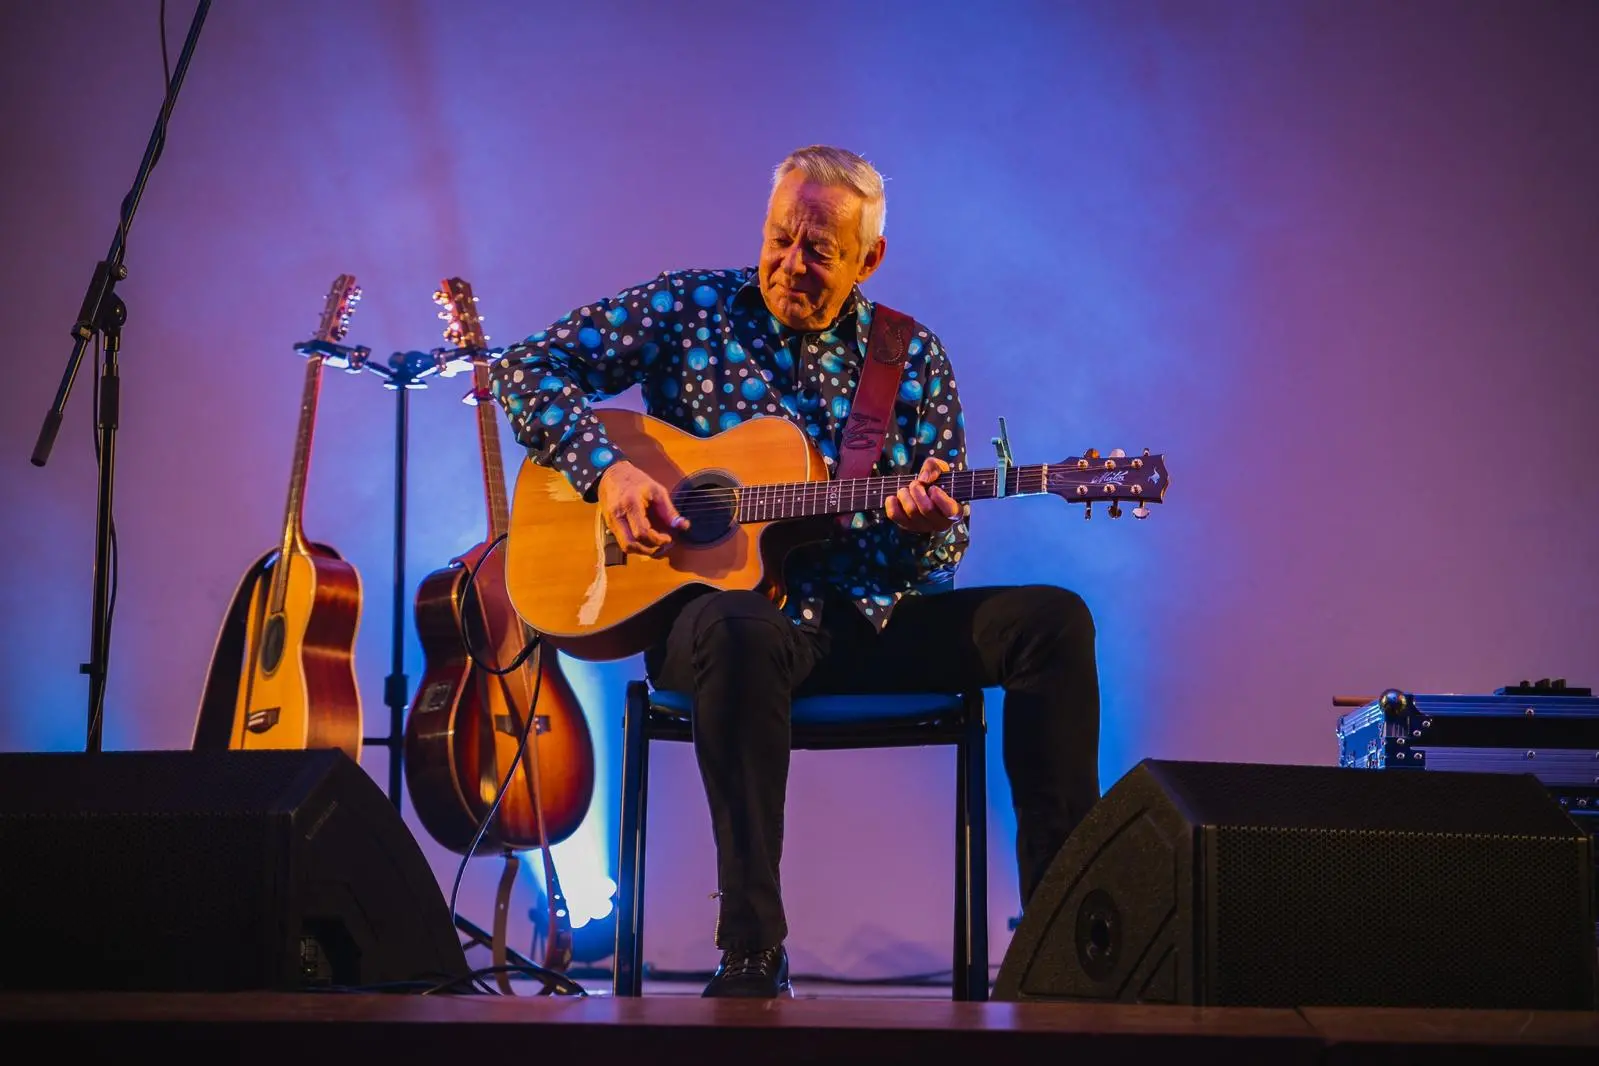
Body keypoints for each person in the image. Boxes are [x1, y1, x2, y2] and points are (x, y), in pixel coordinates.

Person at [488, 145, 1101, 998]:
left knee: (1053, 620)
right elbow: (523, 368)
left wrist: (925, 528)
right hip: (719, 628)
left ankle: (1060, 946)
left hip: (862, 623)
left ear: (869, 258)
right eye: (781, 238)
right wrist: (611, 471)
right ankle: (750, 948)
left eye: (820, 251)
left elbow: (934, 566)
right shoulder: (690, 306)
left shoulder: (907, 358)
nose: (791, 265)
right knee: (738, 626)